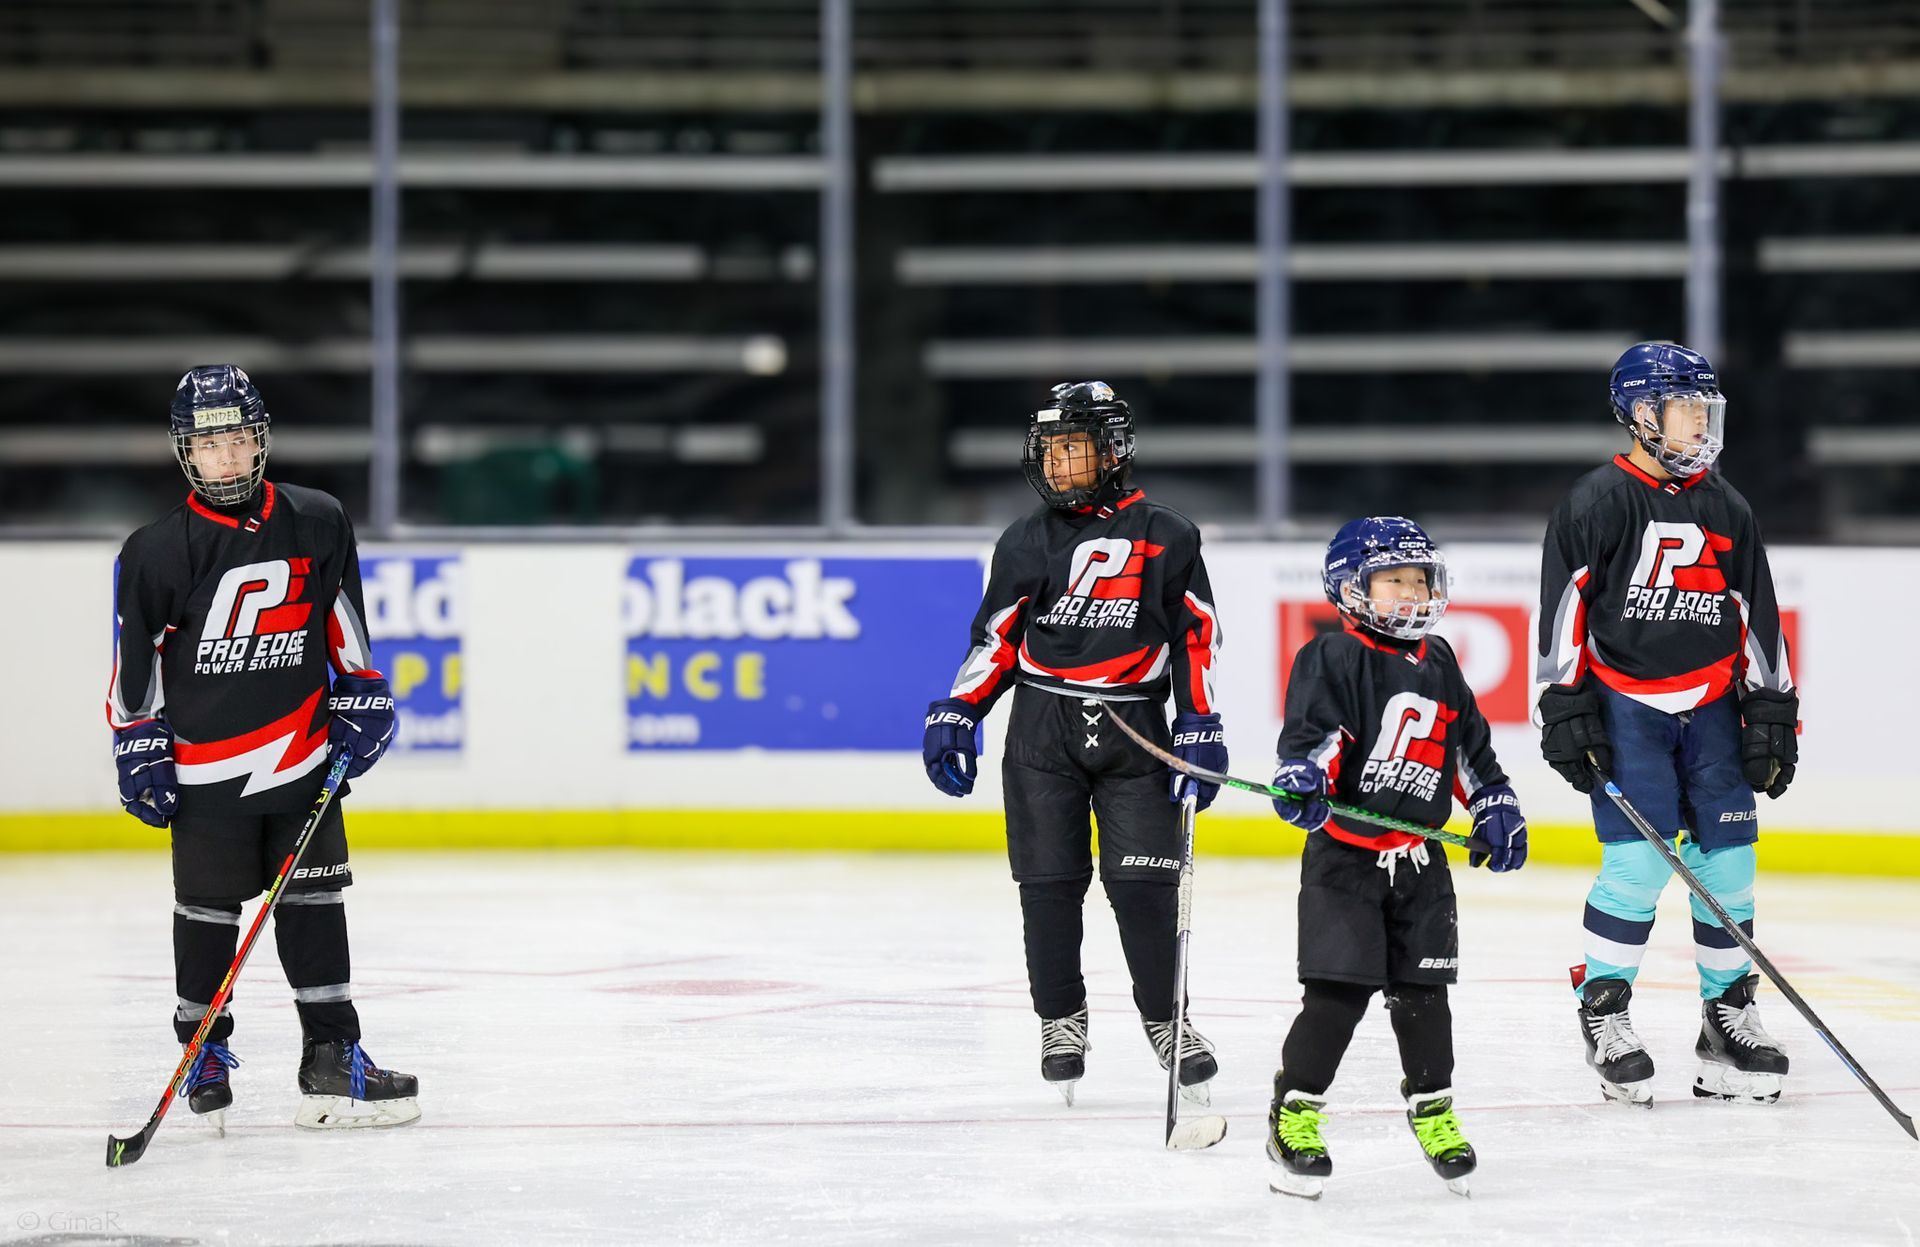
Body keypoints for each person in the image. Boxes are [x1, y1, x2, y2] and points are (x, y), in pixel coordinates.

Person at [108, 364, 418, 1131]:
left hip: (302, 755)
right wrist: (136, 740)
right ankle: (204, 1051)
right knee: (206, 911)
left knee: (316, 902)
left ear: (260, 439)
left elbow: (346, 629)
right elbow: (133, 665)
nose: (226, 457)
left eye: (238, 439)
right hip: (205, 768)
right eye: (208, 443)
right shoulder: (155, 551)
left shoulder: (318, 520)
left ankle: (332, 1053)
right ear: (185, 450)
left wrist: (364, 691)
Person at [921, 381, 1226, 1107]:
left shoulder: (1169, 535)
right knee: (1048, 885)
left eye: (1072, 448)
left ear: (1112, 451)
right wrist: (959, 709)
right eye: (1050, 450)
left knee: (1144, 887)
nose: (1056, 464)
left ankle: (1167, 1020)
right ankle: (1060, 1019)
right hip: (1042, 730)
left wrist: (1201, 723)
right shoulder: (1024, 539)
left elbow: (1196, 636)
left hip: (1137, 730)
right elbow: (997, 638)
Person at [1536, 341, 1796, 1107]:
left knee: (1730, 863)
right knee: (1639, 864)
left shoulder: (1727, 506)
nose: (1701, 424)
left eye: (1706, 410)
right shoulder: (1596, 502)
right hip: (1628, 708)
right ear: (1642, 414)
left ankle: (1727, 1014)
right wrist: (1566, 705)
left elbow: (1759, 617)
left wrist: (1771, 709)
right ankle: (1605, 1008)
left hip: (1712, 707)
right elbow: (1562, 614)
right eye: (1687, 409)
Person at [1265, 517, 1528, 1199]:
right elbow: (1317, 736)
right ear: (1351, 588)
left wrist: (1494, 802)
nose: (1411, 592)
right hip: (1345, 860)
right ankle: (1294, 1113)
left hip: (1418, 862)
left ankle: (1434, 1110)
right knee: (1338, 995)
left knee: (1424, 996)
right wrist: (1306, 777)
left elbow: (1468, 750)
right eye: (1394, 580)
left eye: (1419, 579)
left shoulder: (1439, 659)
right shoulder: (1332, 654)